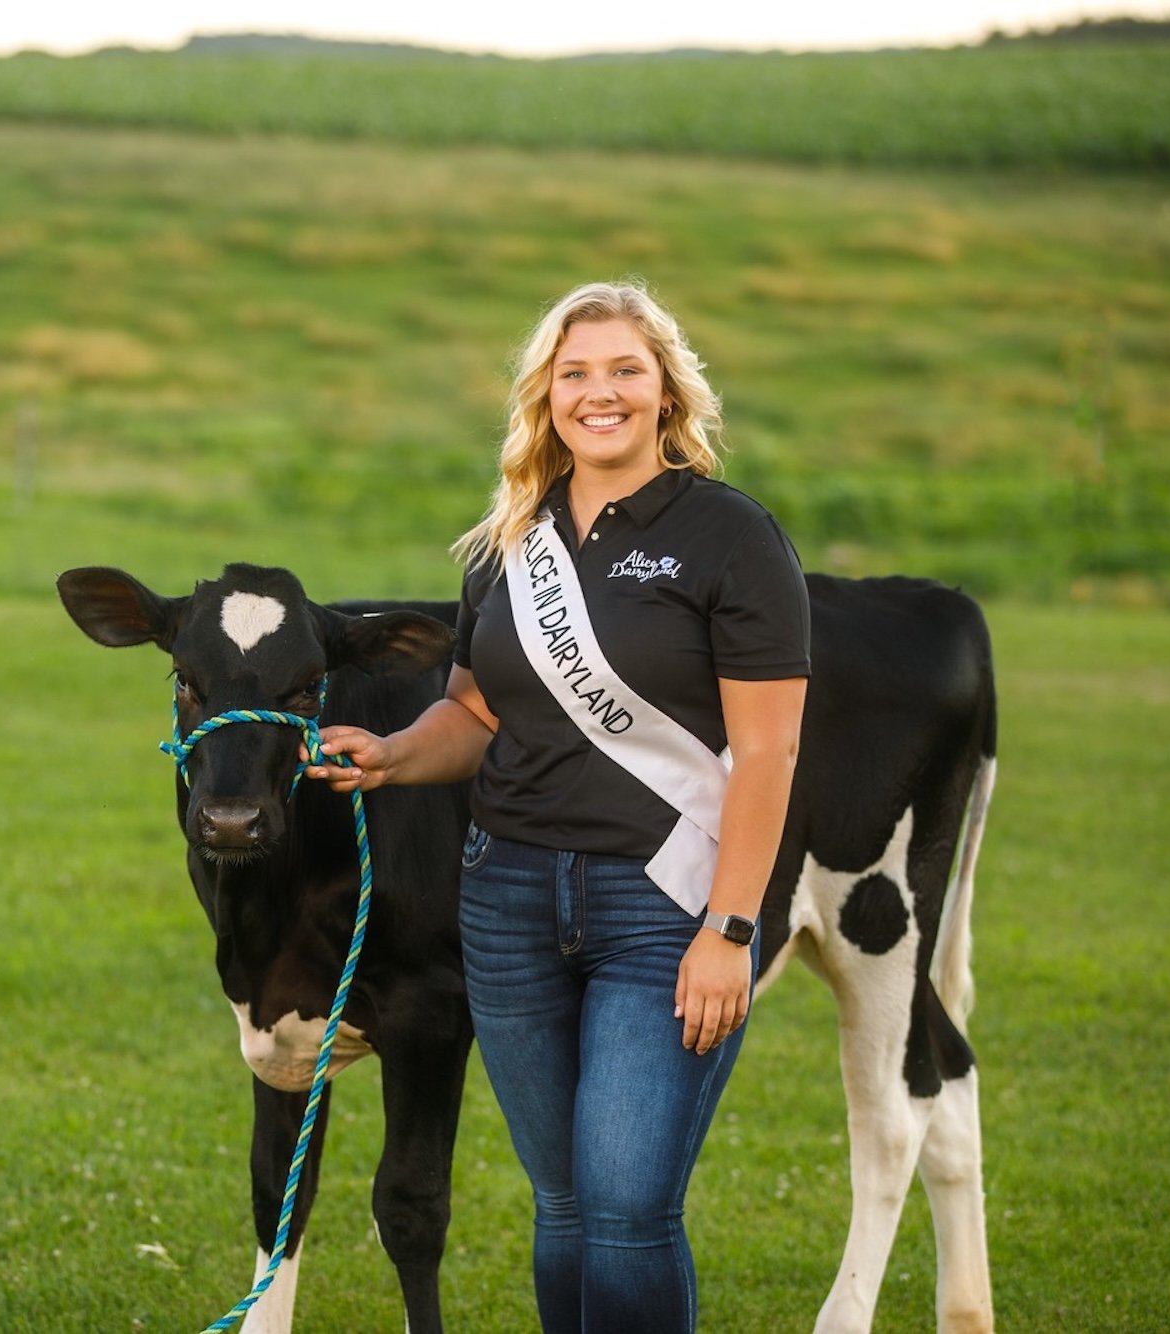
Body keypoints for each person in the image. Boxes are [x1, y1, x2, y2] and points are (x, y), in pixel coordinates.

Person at [306, 279, 810, 1332]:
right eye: (574, 372)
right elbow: (473, 711)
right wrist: (392, 755)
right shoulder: (510, 541)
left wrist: (728, 929)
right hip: (507, 901)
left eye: (625, 369)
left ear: (666, 389)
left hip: (662, 903)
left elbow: (768, 750)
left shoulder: (730, 536)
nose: (599, 392)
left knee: (626, 1207)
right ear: (545, 394)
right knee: (565, 1204)